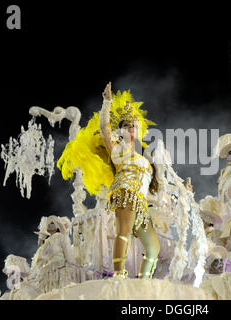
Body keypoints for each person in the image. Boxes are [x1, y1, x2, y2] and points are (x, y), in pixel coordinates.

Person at [57, 82, 160, 279]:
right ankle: (119, 275)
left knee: (153, 247)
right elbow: (104, 128)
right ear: (120, 131)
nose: (131, 128)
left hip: (141, 204)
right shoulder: (118, 150)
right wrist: (107, 103)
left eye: (133, 125)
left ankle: (143, 280)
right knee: (124, 232)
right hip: (125, 194)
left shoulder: (144, 158)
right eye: (126, 125)